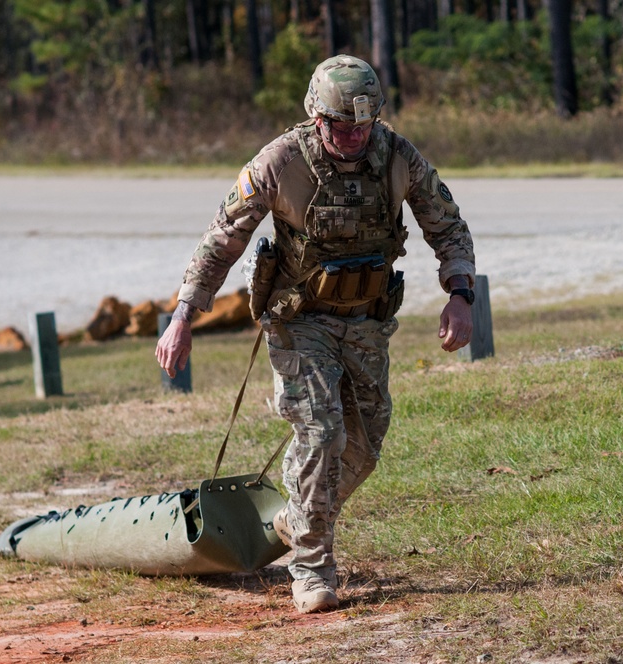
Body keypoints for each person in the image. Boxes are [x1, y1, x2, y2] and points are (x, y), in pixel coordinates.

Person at [156, 54, 476, 614]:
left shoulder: (397, 156)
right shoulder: (280, 161)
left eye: (363, 126)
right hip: (300, 320)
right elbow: (223, 236)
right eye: (341, 127)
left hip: (367, 322)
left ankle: (294, 517)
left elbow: (447, 224)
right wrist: (184, 313)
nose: (354, 138)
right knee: (322, 434)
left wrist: (460, 293)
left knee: (364, 447)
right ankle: (311, 568)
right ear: (315, 117)